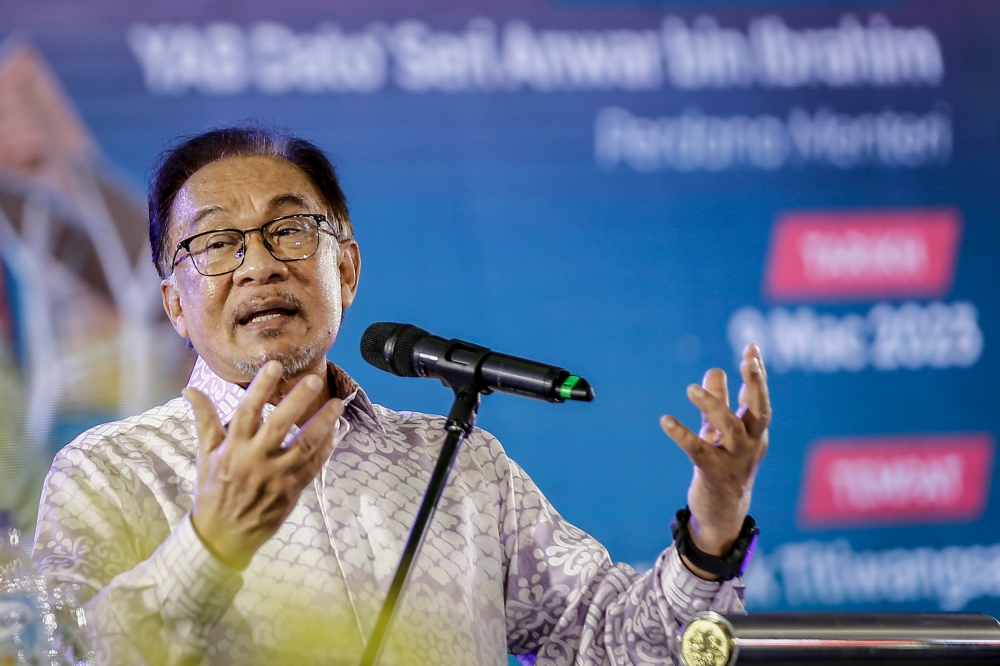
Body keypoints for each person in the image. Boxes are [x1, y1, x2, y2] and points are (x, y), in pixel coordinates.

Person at [32, 126, 771, 666]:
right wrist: (209, 546)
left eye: (290, 230)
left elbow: (616, 642)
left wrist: (713, 535)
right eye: (217, 244)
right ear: (173, 306)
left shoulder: (460, 463)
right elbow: (60, 657)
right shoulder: (107, 473)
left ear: (346, 271)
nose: (258, 264)